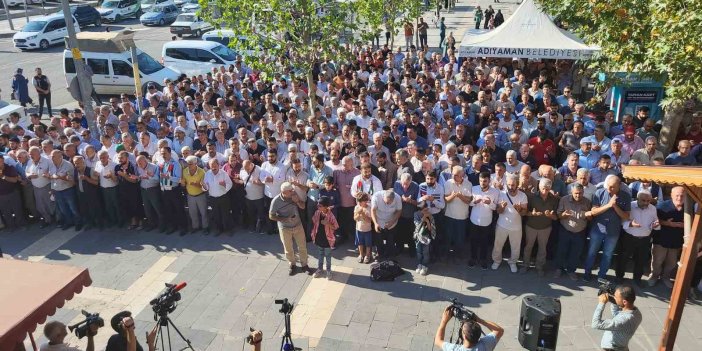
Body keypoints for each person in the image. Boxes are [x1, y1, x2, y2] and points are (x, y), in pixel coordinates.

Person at [584, 175, 631, 281]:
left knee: (608, 255)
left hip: (613, 231)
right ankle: (587, 273)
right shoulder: (599, 192)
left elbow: (626, 216)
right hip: (597, 229)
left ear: (619, 186)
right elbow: (594, 212)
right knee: (592, 252)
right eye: (608, 186)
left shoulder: (626, 196)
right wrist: (609, 205)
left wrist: (615, 206)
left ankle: (601, 276)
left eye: (613, 187)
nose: (609, 189)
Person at [616, 190, 659, 286]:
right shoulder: (630, 206)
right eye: (643, 200)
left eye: (648, 201)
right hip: (629, 237)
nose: (646, 203)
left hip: (644, 238)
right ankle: (619, 276)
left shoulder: (652, 208)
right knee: (623, 258)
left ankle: (637, 278)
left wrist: (655, 225)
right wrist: (631, 224)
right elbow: (622, 222)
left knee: (641, 260)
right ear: (637, 199)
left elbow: (655, 222)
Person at [270, 182, 311, 275]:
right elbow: (271, 216)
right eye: (290, 190)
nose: (293, 191)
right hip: (284, 228)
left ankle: (304, 265)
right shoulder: (276, 201)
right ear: (284, 192)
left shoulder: (294, 195)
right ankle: (292, 265)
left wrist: (297, 201)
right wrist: (285, 219)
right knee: (288, 248)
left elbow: (303, 207)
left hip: (298, 225)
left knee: (302, 246)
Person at [554, 183, 591, 280]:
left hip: (580, 232)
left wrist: (587, 215)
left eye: (580, 193)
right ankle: (559, 269)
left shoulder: (587, 202)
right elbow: (558, 215)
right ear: (571, 192)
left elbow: (591, 218)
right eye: (576, 193)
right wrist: (563, 215)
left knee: (576, 252)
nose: (578, 195)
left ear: (583, 192)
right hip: (565, 229)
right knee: (561, 250)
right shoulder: (564, 199)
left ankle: (571, 270)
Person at [492, 174, 527, 273]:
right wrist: (502, 207)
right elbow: (498, 211)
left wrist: (519, 209)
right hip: (502, 225)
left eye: (513, 185)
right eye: (509, 185)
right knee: (498, 245)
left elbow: (524, 213)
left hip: (516, 227)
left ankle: (512, 262)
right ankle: (497, 261)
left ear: (517, 185)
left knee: (515, 247)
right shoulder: (501, 194)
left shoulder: (522, 195)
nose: (511, 187)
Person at [591, 284, 642, 351]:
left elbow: (595, 324)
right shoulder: (636, 312)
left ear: (624, 302)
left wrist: (601, 303)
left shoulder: (623, 320)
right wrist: (612, 299)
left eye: (615, 297)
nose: (614, 297)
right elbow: (617, 314)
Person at [434, 305, 503, 351]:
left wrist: (444, 321)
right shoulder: (485, 345)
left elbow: (438, 341)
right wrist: (479, 320)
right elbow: (499, 330)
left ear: (464, 336)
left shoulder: (454, 349)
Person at [202, 158, 233, 235]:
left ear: (218, 165)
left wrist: (225, 185)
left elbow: (230, 184)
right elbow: (205, 187)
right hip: (213, 198)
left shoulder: (223, 173)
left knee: (225, 214)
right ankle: (219, 229)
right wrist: (204, 186)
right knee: (216, 215)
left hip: (223, 197)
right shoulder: (207, 174)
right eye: (211, 166)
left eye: (215, 166)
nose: (213, 168)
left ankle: (228, 230)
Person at [311, 196, 339, 279]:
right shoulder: (317, 213)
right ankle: (319, 269)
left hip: (328, 239)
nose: (318, 207)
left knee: (328, 256)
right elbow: (314, 220)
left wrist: (328, 224)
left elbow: (336, 227)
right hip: (319, 237)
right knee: (320, 254)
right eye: (318, 205)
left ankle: (328, 271)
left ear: (326, 207)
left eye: (320, 206)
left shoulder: (331, 216)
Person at [371, 189, 402, 259]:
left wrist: (392, 222)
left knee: (391, 240)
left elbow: (399, 211)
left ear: (393, 199)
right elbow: (373, 211)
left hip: (392, 221)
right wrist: (375, 223)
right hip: (379, 221)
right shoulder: (376, 196)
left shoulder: (397, 198)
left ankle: (390, 255)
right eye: (386, 202)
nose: (387, 204)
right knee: (378, 239)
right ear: (383, 197)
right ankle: (380, 254)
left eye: (390, 203)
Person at [414, 206, 436, 275]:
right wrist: (423, 219)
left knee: (425, 253)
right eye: (424, 210)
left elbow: (431, 229)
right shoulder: (416, 214)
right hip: (418, 236)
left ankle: (425, 266)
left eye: (427, 210)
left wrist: (427, 221)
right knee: (419, 252)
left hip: (426, 237)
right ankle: (419, 264)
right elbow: (417, 227)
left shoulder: (430, 216)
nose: (426, 212)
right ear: (420, 210)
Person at [354, 192, 373, 263]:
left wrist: (363, 214)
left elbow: (370, 220)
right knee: (360, 243)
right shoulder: (357, 207)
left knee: (368, 244)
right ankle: (361, 255)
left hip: (367, 229)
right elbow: (355, 218)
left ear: (365, 201)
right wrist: (358, 213)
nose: (359, 203)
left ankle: (368, 255)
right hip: (358, 229)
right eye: (358, 201)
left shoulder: (369, 208)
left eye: (360, 201)